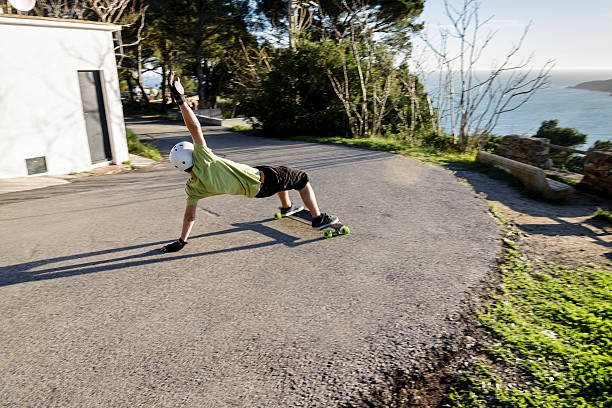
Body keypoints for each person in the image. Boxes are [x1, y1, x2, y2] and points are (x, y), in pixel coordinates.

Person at [160, 73, 338, 253]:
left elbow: (190, 217)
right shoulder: (206, 161)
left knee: (280, 173)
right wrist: (181, 100)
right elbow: (195, 127)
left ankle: (287, 208)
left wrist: (181, 242)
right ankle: (318, 218)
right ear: (193, 154)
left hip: (256, 189)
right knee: (301, 178)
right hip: (262, 180)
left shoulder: (193, 188)